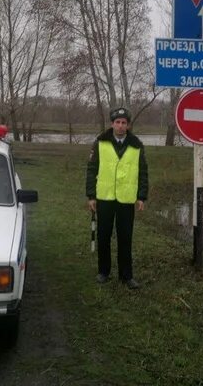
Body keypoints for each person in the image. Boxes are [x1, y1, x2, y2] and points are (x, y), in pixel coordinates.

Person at [85, 107, 148, 289]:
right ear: (112, 124)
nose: (120, 126)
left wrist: (141, 197)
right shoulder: (100, 143)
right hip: (104, 198)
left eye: (124, 123)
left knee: (125, 238)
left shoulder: (136, 145)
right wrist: (91, 196)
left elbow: (143, 173)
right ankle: (103, 272)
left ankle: (126, 276)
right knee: (104, 236)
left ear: (128, 125)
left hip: (127, 200)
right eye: (117, 122)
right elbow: (91, 170)